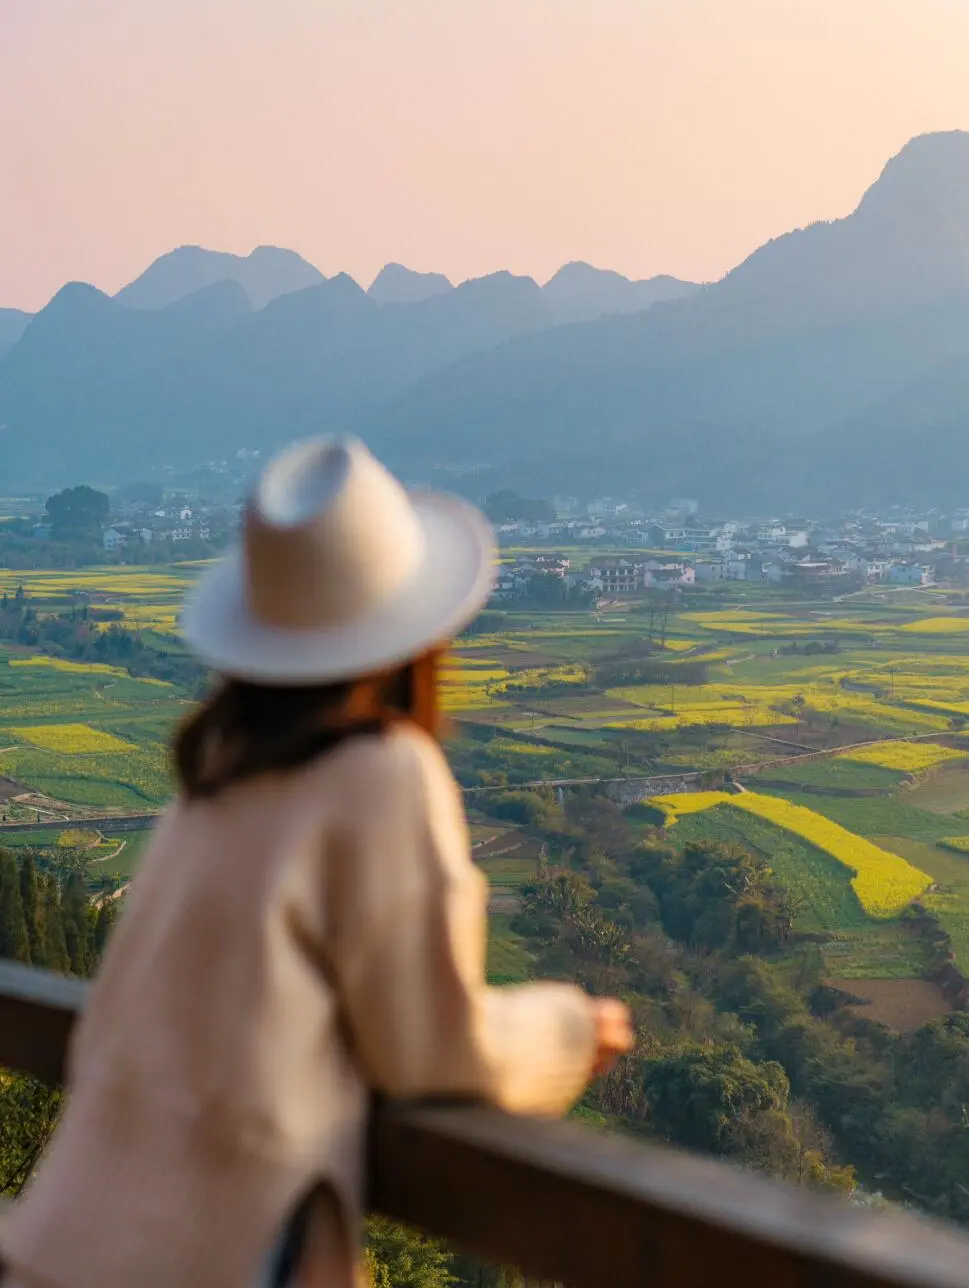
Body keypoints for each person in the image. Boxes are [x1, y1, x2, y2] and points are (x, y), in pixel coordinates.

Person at [2, 435, 632, 1287]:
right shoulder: (380, 773)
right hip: (213, 1253)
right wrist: (566, 1029)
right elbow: (430, 1049)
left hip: (64, 1240)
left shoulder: (216, 775)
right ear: (413, 631)